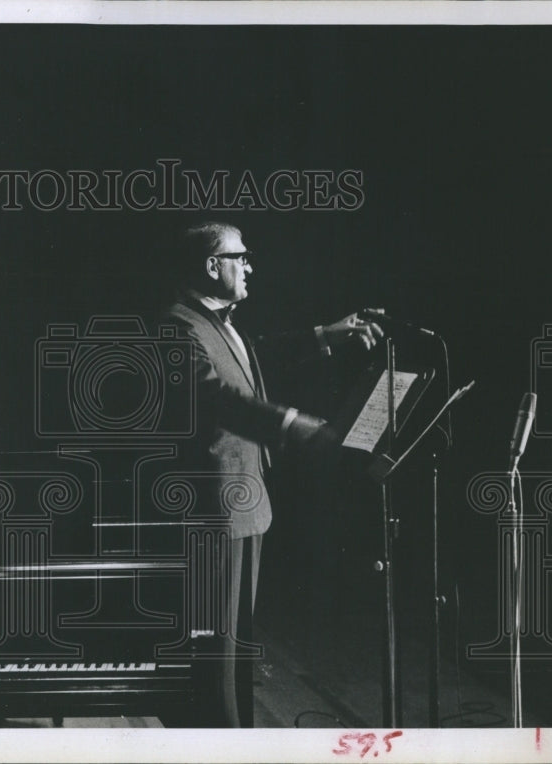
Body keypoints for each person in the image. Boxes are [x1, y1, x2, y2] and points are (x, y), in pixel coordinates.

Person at [158, 222, 382, 727]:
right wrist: (290, 423)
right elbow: (215, 396)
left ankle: (236, 736)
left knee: (234, 644)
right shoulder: (177, 326)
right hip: (217, 511)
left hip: (243, 506)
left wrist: (326, 335)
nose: (249, 267)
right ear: (212, 266)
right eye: (240, 257)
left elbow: (254, 356)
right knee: (218, 648)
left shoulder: (213, 322)